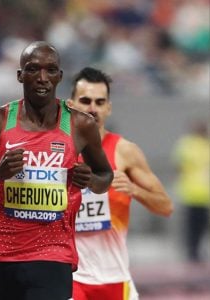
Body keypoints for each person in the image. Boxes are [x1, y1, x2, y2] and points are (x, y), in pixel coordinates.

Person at [0, 41, 114, 300]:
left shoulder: (80, 125)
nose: (42, 78)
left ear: (60, 76)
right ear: (20, 75)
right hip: (2, 257)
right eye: (33, 69)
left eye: (50, 70)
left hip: (54, 254)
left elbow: (106, 176)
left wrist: (91, 180)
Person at [67, 67, 174, 300]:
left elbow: (165, 206)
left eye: (99, 101)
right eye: (85, 100)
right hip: (71, 276)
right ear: (71, 105)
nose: (92, 108)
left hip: (115, 278)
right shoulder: (57, 150)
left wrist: (134, 190)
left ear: (108, 107)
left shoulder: (125, 151)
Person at [172, 118, 209, 263]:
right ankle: (193, 253)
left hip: (199, 193)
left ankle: (195, 252)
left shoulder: (197, 145)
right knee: (194, 226)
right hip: (193, 192)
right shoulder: (189, 145)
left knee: (198, 226)